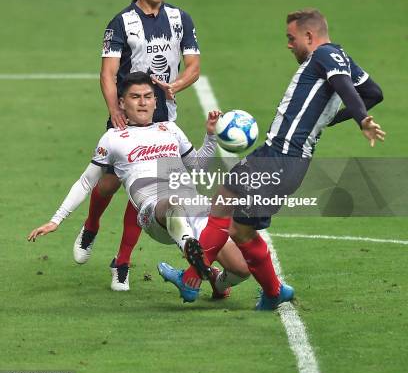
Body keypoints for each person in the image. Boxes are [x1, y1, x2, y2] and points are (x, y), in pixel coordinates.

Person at [159, 9, 385, 309]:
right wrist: (326, 119)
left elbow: (345, 85)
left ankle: (190, 280)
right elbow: (373, 91)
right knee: (240, 228)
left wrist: (361, 119)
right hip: (285, 159)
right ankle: (273, 292)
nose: (289, 45)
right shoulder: (339, 55)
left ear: (309, 35)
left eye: (292, 38)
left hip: (281, 156)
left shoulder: (326, 55)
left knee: (225, 206)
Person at [28, 72, 250, 300]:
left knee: (242, 269)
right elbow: (86, 181)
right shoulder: (113, 138)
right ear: (122, 103)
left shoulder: (170, 129)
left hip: (194, 208)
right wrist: (56, 219)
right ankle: (190, 248)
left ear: (156, 101)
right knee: (172, 204)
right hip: (154, 213)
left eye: (148, 96)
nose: (143, 102)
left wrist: (211, 136)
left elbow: (198, 167)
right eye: (135, 97)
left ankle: (216, 281)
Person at [77, 0, 201, 291]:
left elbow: (193, 66)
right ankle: (91, 226)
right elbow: (108, 73)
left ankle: (122, 262)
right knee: (108, 183)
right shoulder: (121, 23)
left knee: (145, 190)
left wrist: (175, 85)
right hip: (127, 115)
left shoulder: (179, 18)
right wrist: (114, 108)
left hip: (162, 119)